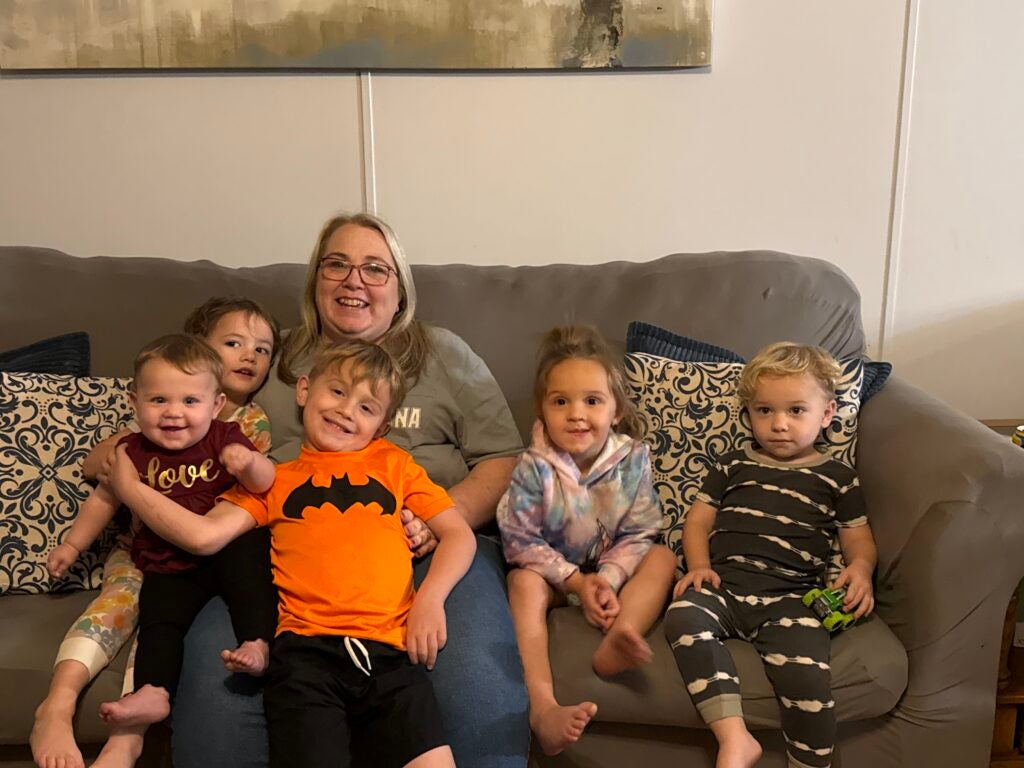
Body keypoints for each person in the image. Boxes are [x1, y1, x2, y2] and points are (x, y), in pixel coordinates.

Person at [171, 212, 529, 768]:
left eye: (375, 269)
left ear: (401, 289)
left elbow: (503, 457)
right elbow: (185, 396)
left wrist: (436, 520)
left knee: (475, 687)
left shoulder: (444, 352)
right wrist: (123, 448)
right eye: (336, 264)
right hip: (291, 555)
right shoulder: (271, 355)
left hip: (432, 543)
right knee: (222, 693)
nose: (353, 281)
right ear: (315, 280)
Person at [108, 341, 477, 768]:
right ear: (304, 390)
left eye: (366, 407)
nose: (346, 411)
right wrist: (132, 489)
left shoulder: (395, 466)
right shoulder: (273, 479)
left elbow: (458, 535)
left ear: (383, 425)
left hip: (391, 652)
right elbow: (204, 536)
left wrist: (431, 599)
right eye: (337, 392)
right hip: (305, 658)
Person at [31, 298, 280, 768]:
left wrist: (248, 464)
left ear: (215, 403)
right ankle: (58, 703)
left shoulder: (241, 428)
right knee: (135, 608)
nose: (249, 356)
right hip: (150, 555)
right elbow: (104, 492)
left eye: (262, 349)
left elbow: (265, 485)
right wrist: (72, 544)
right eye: (233, 343)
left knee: (247, 575)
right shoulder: (140, 439)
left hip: (215, 547)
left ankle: (128, 739)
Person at [662, 342, 878, 768]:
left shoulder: (837, 477)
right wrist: (700, 567)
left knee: (807, 675)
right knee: (683, 616)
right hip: (724, 585)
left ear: (827, 414)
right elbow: (698, 522)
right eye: (765, 411)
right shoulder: (731, 464)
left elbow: (859, 540)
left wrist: (861, 569)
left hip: (791, 598)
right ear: (749, 414)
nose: (779, 425)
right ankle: (735, 737)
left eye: (796, 410)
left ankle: (809, 762)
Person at [497, 325, 676, 756]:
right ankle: (542, 709)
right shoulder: (534, 467)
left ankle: (622, 634)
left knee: (663, 557)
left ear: (615, 410)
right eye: (561, 402)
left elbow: (640, 530)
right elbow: (517, 539)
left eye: (592, 401)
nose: (577, 414)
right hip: (557, 579)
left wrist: (610, 580)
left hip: (611, 574)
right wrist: (576, 582)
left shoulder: (633, 458)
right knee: (522, 582)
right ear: (542, 410)